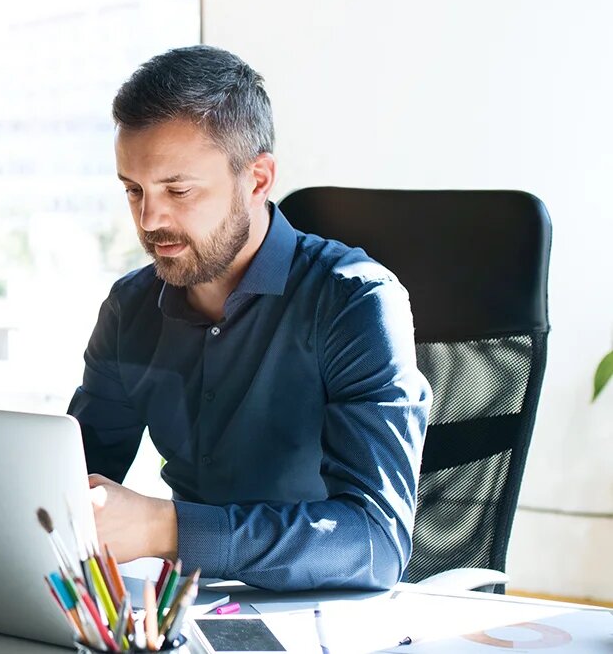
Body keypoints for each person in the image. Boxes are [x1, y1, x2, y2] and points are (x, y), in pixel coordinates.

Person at [69, 46, 430, 591]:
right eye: (133, 190)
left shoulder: (356, 303)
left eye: (178, 189)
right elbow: (70, 482)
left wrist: (166, 527)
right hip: (189, 609)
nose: (149, 218)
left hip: (331, 614)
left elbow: (376, 543)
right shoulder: (129, 309)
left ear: (258, 179)